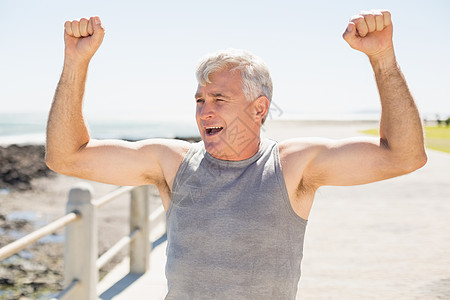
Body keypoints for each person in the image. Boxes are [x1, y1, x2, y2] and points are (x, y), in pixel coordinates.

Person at [46, 9, 427, 300]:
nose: (204, 111)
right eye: (199, 100)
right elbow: (66, 157)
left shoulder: (293, 166)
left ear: (259, 109)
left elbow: (404, 156)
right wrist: (76, 63)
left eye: (219, 99)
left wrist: (383, 59)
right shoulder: (172, 163)